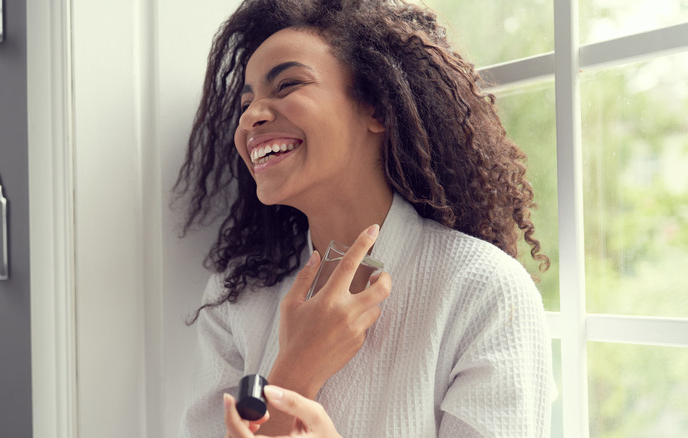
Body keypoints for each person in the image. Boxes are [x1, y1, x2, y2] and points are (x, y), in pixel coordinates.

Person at [173, 0, 555, 436]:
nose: (252, 116)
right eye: (247, 102)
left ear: (376, 108)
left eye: (287, 85)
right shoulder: (236, 297)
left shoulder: (483, 290)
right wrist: (296, 369)